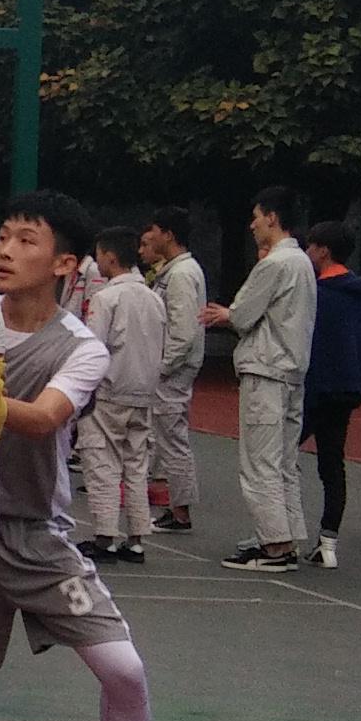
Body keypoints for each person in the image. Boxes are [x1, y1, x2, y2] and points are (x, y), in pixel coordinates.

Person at [0, 191, 217, 721]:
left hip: (35, 532)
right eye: (3, 236)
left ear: (65, 262)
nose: (6, 250)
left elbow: (44, 418)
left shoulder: (81, 347)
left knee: (123, 669)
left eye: (26, 240)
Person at [206, 185, 314, 570]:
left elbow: (243, 313)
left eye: (256, 218)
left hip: (266, 368)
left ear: (272, 217)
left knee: (260, 461)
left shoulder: (275, 264)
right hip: (291, 369)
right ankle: (284, 534)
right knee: (284, 461)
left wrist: (226, 314)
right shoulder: (302, 262)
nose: (252, 225)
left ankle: (275, 544)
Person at [70, 222, 159, 562]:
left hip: (109, 391)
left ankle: (105, 536)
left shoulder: (106, 298)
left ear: (109, 256)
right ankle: (136, 538)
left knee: (102, 462)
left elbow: (93, 346)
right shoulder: (154, 298)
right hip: (144, 390)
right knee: (136, 465)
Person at [298, 223, 361, 566]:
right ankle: (328, 541)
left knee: (278, 456)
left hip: (315, 387)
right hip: (346, 388)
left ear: (323, 250)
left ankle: (278, 532)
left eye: (311, 247)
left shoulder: (317, 294)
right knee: (332, 463)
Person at [140, 211, 206, 533]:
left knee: (172, 437)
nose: (149, 238)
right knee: (169, 437)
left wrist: (162, 367)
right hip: (174, 366)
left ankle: (180, 511)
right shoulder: (176, 271)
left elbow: (183, 331)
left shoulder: (180, 275)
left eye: (153, 231)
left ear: (168, 234)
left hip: (173, 370)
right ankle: (177, 507)